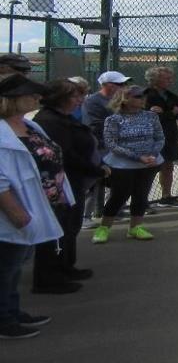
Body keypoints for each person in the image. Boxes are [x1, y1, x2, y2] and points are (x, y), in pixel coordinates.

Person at [0, 72, 63, 339]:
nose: (38, 98)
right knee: (6, 267)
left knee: (16, 265)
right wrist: (15, 212)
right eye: (31, 94)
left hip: (36, 204)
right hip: (14, 210)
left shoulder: (28, 125)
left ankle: (12, 311)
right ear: (11, 99)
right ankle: (4, 319)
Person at [32, 79, 108, 292]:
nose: (80, 100)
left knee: (70, 226)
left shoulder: (62, 118)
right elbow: (64, 153)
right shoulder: (50, 121)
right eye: (75, 96)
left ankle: (65, 266)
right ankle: (48, 277)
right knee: (59, 228)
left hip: (71, 181)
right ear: (61, 98)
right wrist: (96, 169)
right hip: (62, 182)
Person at [93, 85, 164, 243]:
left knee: (141, 195)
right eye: (138, 96)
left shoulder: (151, 116)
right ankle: (103, 228)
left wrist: (152, 155)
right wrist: (138, 157)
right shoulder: (113, 119)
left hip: (149, 163)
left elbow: (159, 137)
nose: (142, 99)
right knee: (119, 196)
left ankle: (135, 228)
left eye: (142, 96)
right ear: (125, 99)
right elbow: (111, 144)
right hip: (123, 165)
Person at [81, 70, 130, 225]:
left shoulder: (121, 100)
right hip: (99, 146)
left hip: (116, 146)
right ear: (107, 85)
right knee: (93, 182)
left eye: (124, 84)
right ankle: (85, 217)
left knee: (118, 180)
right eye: (119, 84)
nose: (123, 87)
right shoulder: (93, 101)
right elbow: (94, 125)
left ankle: (115, 210)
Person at [143, 65, 178, 208]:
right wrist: (170, 113)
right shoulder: (145, 95)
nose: (170, 81)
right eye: (166, 78)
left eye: (171, 78)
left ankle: (166, 196)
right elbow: (150, 116)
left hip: (169, 135)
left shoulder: (171, 95)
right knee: (149, 168)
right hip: (152, 137)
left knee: (168, 165)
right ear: (155, 79)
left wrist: (165, 113)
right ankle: (142, 200)